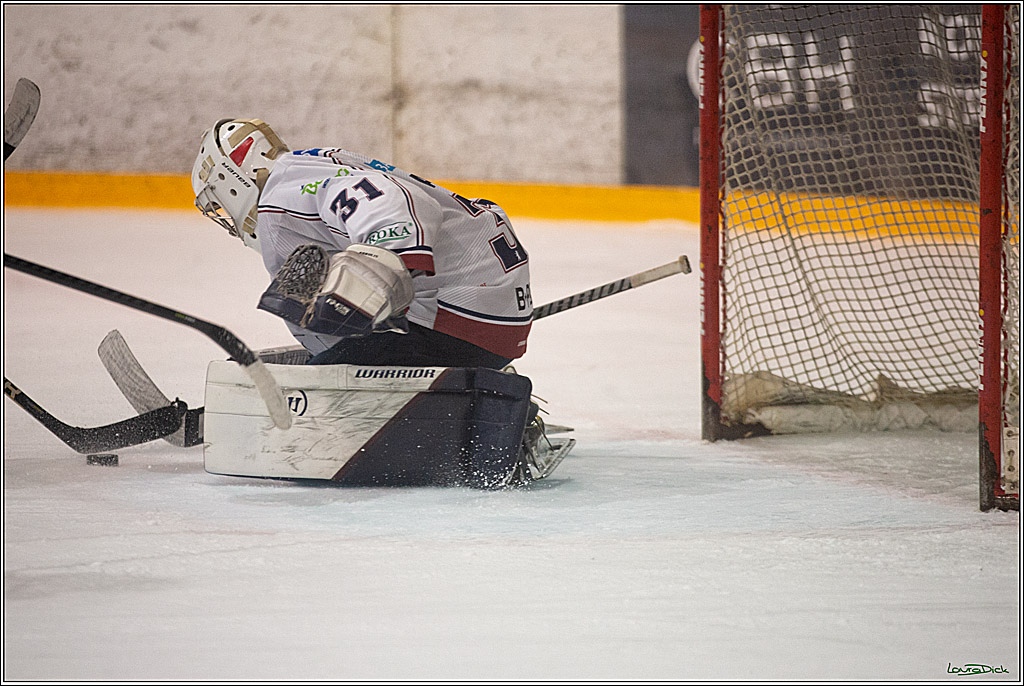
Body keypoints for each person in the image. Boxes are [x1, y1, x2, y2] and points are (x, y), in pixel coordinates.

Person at [190, 118, 532, 369]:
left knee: (326, 391)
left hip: (454, 321)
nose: (228, 217)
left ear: (230, 178)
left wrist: (382, 260)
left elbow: (394, 199)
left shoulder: (280, 194)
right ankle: (480, 395)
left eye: (219, 202)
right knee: (331, 355)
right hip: (487, 317)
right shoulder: (315, 165)